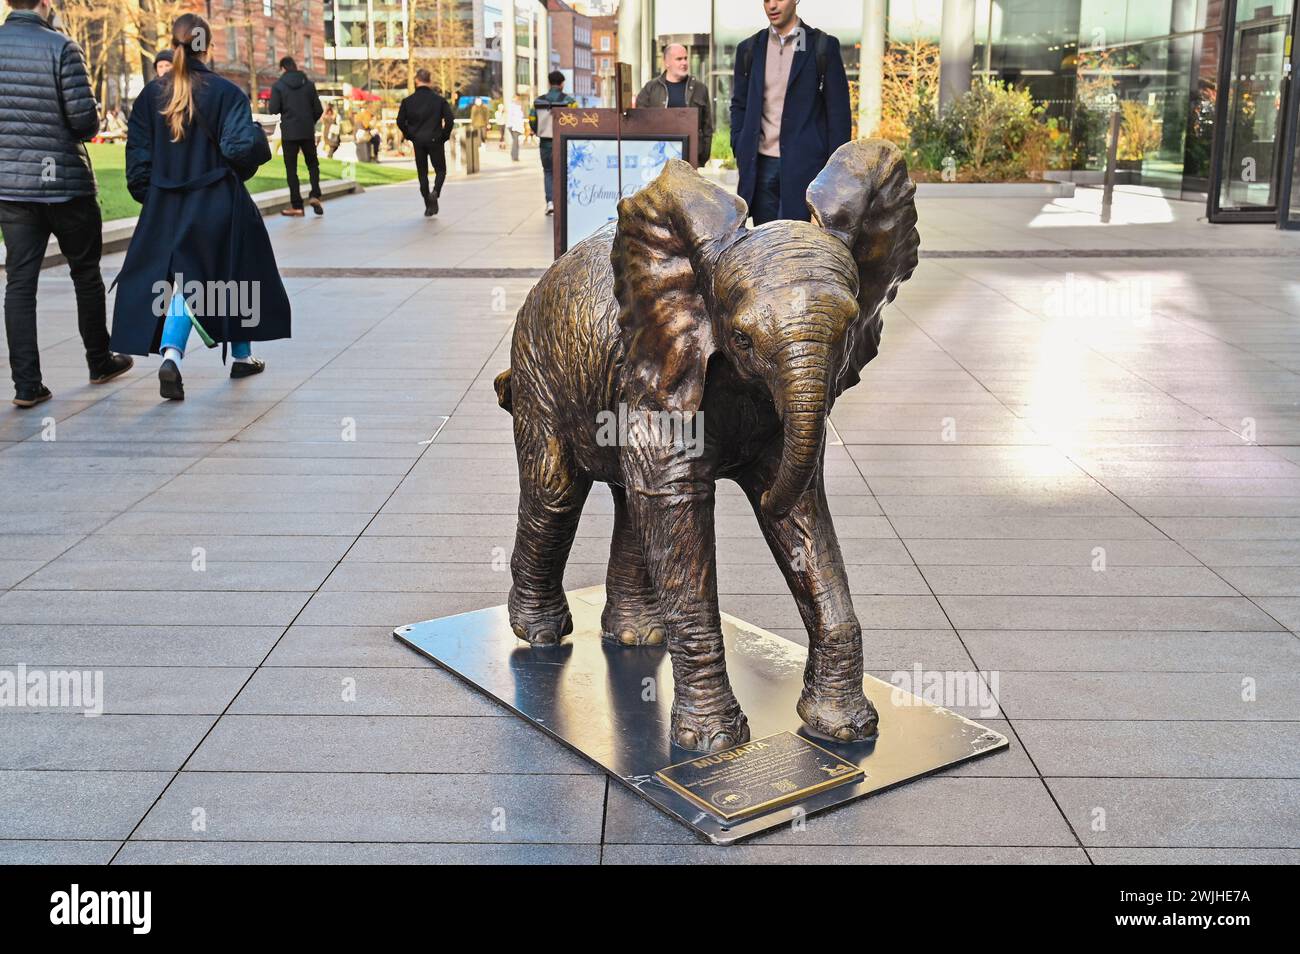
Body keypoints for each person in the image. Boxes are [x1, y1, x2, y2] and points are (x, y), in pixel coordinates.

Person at [110, 13, 291, 401]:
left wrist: (158, 196)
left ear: (173, 44)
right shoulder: (225, 93)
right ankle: (173, 355)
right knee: (215, 274)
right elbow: (240, 148)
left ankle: (241, 355)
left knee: (200, 275)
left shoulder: (150, 96)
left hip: (166, 201)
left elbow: (137, 164)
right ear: (206, 46)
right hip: (215, 199)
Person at [0, 0, 133, 408]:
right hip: (64, 183)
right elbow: (84, 122)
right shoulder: (61, 47)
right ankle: (99, 361)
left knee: (19, 283)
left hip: (12, 187)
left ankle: (27, 385)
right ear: (45, 3)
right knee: (85, 274)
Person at [729, 0, 850, 225]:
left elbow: (839, 116)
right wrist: (739, 142)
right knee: (766, 245)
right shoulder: (750, 48)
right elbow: (739, 104)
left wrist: (834, 174)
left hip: (807, 167)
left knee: (800, 247)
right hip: (760, 166)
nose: (772, 6)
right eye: (766, 0)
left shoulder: (822, 46)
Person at [635, 43, 713, 167]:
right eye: (679, 59)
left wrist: (702, 157)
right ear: (667, 62)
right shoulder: (651, 88)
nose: (684, 63)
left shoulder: (700, 88)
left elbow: (707, 127)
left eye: (686, 58)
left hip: (690, 159)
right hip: (658, 159)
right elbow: (639, 121)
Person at [268, 56, 324, 217]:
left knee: (291, 169)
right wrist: (309, 121)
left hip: (289, 132)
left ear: (283, 68)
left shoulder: (279, 86)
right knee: (313, 164)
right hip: (307, 131)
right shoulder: (309, 85)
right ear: (295, 66)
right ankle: (315, 195)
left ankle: (297, 206)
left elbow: (273, 109)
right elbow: (318, 110)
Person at [396, 68, 454, 216]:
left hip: (418, 141)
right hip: (435, 139)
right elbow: (450, 119)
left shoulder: (408, 101)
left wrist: (409, 135)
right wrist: (444, 135)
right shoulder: (439, 100)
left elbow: (400, 121)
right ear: (430, 81)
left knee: (422, 174)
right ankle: (435, 191)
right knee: (440, 170)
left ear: (416, 80)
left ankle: (428, 205)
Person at [530, 71, 576, 215]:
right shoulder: (570, 102)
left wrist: (538, 131)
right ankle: (563, 202)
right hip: (563, 142)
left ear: (549, 83)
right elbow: (577, 120)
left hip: (545, 143)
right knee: (563, 172)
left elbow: (532, 121)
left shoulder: (538, 102)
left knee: (548, 172)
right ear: (562, 84)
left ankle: (550, 202)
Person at [507, 95, 525, 162]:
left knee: (515, 142)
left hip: (515, 127)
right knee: (515, 142)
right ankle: (515, 156)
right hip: (514, 127)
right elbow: (512, 118)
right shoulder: (513, 107)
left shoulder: (517, 107)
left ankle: (514, 155)